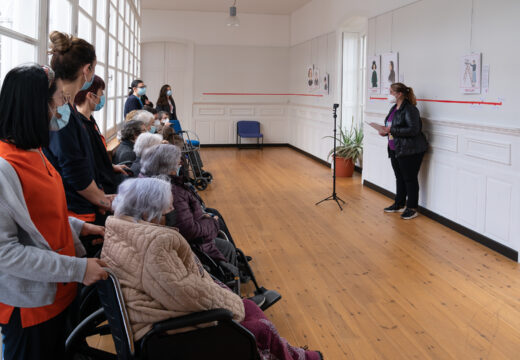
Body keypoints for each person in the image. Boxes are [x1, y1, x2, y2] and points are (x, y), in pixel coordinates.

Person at [101, 177, 322, 360]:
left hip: (151, 320)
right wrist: (230, 302)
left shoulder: (120, 230)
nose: (171, 213)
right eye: (168, 209)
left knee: (249, 308)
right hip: (165, 335)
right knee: (257, 325)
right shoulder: (155, 243)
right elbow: (184, 294)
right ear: (149, 213)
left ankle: (290, 354)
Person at [0, 64, 108, 360]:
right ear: (38, 107)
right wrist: (79, 268)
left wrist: (77, 228)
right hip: (30, 307)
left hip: (60, 292)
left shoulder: (35, 151)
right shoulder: (4, 167)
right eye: (59, 100)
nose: (63, 108)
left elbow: (39, 218)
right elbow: (5, 252)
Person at [43, 31, 113, 249]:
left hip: (79, 205)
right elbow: (73, 170)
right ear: (86, 70)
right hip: (76, 213)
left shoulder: (63, 105)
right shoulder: (60, 111)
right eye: (94, 67)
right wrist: (103, 201)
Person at [139, 144, 236, 267]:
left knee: (214, 214)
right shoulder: (172, 191)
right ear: (168, 166)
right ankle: (234, 273)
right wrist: (212, 223)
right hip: (190, 244)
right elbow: (188, 230)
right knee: (226, 245)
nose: (180, 164)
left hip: (173, 235)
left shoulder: (149, 180)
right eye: (178, 162)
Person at [380, 83, 428, 220]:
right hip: (395, 148)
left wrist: (392, 130)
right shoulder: (394, 108)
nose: (389, 94)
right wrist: (384, 132)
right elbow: (391, 126)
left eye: (391, 91)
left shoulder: (410, 109)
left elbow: (414, 130)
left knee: (410, 179)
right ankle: (399, 204)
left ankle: (412, 208)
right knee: (399, 178)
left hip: (409, 150)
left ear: (399, 94)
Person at [74, 75, 129, 194]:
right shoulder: (80, 125)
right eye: (100, 93)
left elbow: (97, 155)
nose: (102, 98)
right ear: (90, 96)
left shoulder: (90, 120)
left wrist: (110, 166)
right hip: (100, 190)